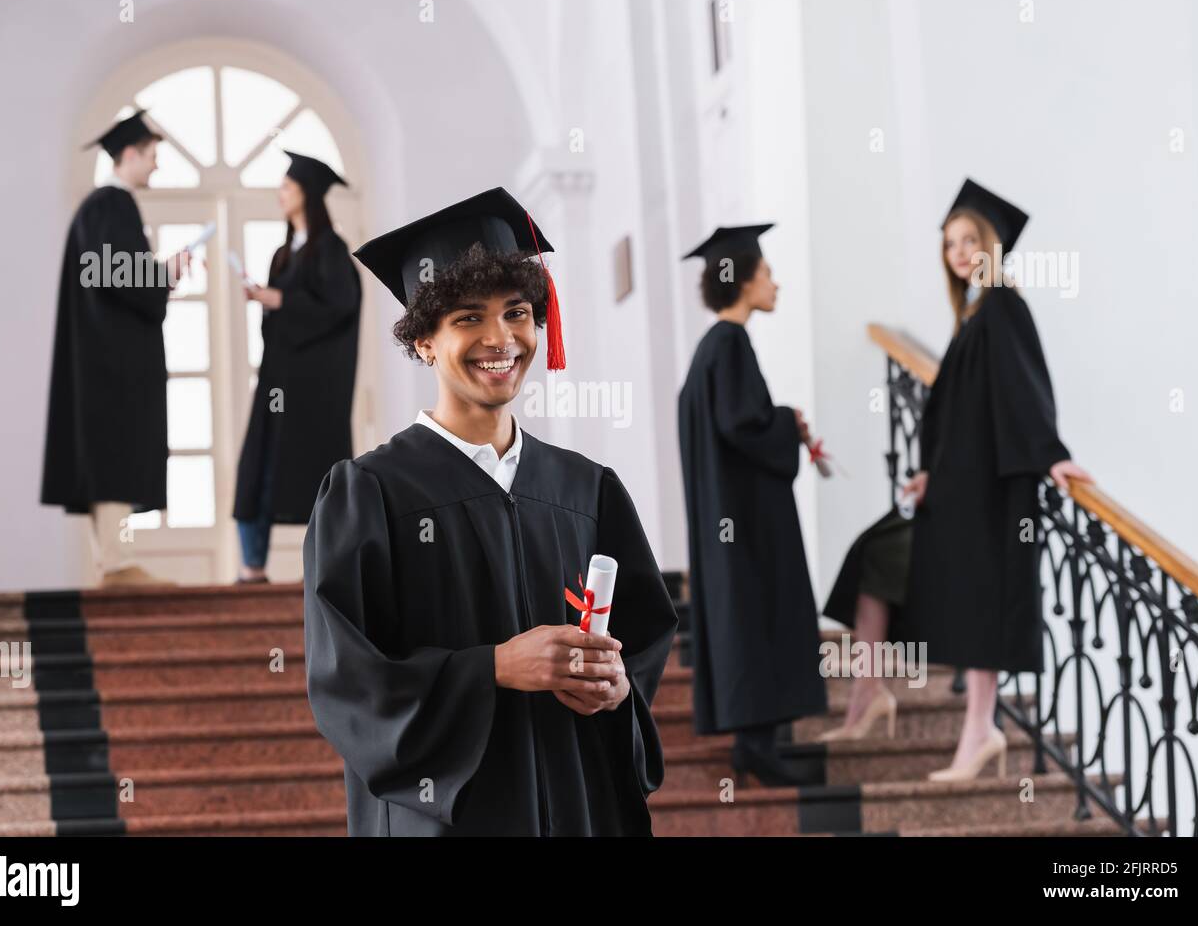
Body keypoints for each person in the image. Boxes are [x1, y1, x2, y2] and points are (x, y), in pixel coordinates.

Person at [304, 187, 678, 835]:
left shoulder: (586, 490)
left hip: (576, 808)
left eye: (517, 313)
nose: (500, 338)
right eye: (467, 318)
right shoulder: (370, 492)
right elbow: (348, 683)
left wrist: (618, 690)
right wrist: (495, 667)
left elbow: (639, 646)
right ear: (423, 340)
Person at [820, 180, 1092, 781]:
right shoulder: (972, 316)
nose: (960, 251)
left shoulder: (1002, 306)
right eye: (950, 244)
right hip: (951, 489)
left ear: (991, 245)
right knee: (873, 562)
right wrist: (925, 474)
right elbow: (963, 411)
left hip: (988, 492)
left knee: (980, 604)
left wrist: (1051, 455)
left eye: (970, 240)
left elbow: (1026, 391)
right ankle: (871, 695)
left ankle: (979, 730)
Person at [677, 224, 828, 786]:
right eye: (765, 273)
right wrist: (787, 421)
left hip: (729, 518)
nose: (775, 282)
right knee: (758, 608)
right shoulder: (729, 344)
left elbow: (734, 422)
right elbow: (743, 423)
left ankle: (754, 742)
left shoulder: (708, 350)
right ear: (738, 280)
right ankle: (757, 744)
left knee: (746, 611)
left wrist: (782, 421)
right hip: (746, 522)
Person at [40, 110, 190, 587]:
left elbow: (108, 272)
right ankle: (115, 564)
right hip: (113, 363)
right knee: (114, 454)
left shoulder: (97, 208)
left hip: (102, 358)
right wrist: (162, 276)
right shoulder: (112, 205)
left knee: (108, 456)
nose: (156, 167)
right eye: (151, 156)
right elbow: (112, 275)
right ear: (129, 154)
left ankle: (110, 561)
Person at [232, 152, 361, 583]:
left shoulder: (331, 251)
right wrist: (268, 300)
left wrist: (280, 300)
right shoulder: (283, 254)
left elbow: (340, 307)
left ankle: (328, 572)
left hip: (314, 391)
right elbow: (278, 323)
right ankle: (252, 567)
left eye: (287, 187)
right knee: (258, 467)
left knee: (313, 474)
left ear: (307, 194)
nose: (280, 194)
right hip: (277, 382)